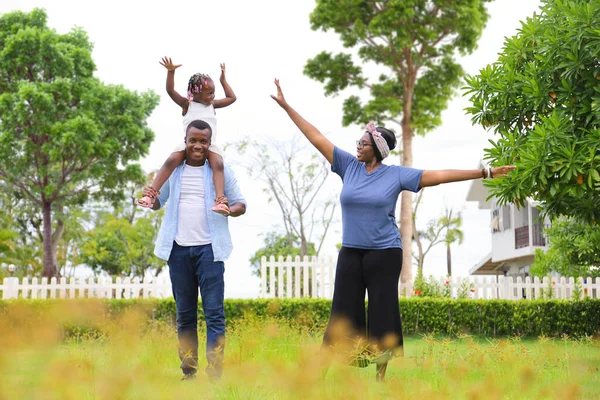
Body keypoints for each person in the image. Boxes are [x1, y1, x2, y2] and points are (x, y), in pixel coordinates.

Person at [270, 78, 514, 381]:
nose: (356, 146)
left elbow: (438, 176)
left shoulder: (396, 175)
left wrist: (485, 172)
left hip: (385, 253)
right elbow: (316, 136)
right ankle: (324, 370)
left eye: (362, 143)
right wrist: (286, 106)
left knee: (382, 312)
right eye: (358, 142)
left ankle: (380, 376)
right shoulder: (348, 165)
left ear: (377, 150)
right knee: (343, 310)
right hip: (351, 251)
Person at [147, 119, 247, 381]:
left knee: (215, 314)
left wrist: (229, 209)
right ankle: (188, 372)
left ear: (209, 143)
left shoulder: (221, 172)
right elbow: (160, 201)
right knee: (185, 315)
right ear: (186, 141)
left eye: (203, 141)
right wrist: (150, 200)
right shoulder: (175, 171)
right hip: (178, 251)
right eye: (193, 140)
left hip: (210, 252)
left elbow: (241, 204)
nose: (198, 145)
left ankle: (215, 373)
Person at [139, 57, 237, 215]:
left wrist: (223, 80)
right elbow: (171, 91)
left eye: (214, 93)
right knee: (171, 161)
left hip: (208, 145)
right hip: (189, 145)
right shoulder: (187, 104)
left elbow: (232, 98)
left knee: (218, 164)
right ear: (196, 93)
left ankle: (220, 200)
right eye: (209, 93)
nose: (212, 96)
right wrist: (171, 72)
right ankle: (150, 195)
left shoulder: (213, 105)